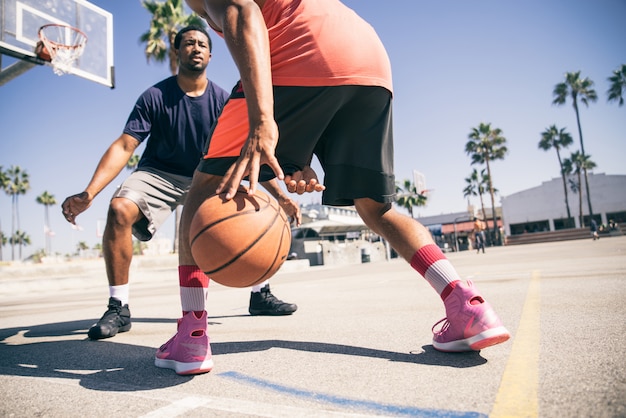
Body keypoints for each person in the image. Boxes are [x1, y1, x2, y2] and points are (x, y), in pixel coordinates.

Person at [153, 0, 510, 375]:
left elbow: (242, 10)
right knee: (377, 209)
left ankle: (192, 333)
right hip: (367, 62)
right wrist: (295, 157)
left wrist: (262, 120)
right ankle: (466, 304)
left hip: (302, 54)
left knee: (204, 188)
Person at [61, 25, 298, 341]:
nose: (196, 48)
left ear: (211, 55)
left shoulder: (222, 101)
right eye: (188, 43)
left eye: (202, 43)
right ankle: (119, 307)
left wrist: (280, 197)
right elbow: (125, 145)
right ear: (177, 52)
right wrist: (90, 192)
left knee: (252, 215)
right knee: (119, 208)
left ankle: (260, 293)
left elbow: (247, 155)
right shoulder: (156, 96)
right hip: (160, 174)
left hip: (208, 177)